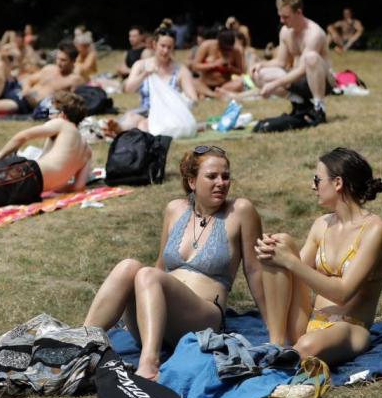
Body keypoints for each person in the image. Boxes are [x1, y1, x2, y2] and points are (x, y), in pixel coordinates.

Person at [82, 146, 266, 379]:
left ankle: (149, 363)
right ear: (192, 182)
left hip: (203, 318)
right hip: (158, 321)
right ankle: (81, 343)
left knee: (148, 275)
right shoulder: (174, 209)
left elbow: (254, 269)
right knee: (129, 266)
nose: (221, 183)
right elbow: (161, 265)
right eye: (212, 176)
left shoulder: (240, 211)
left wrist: (273, 326)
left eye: (225, 176)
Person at [255, 148, 382, 365]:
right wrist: (269, 253)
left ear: (337, 183)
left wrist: (288, 260)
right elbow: (293, 277)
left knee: (308, 347)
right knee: (280, 242)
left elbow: (343, 294)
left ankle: (289, 356)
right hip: (309, 321)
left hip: (348, 327)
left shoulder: (375, 230)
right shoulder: (321, 225)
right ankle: (275, 344)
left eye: (317, 180)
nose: (312, 186)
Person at [0, 91, 93, 217]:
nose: (48, 116)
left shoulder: (63, 124)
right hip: (32, 193)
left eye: (51, 112)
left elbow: (22, 136)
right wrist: (53, 184)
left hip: (24, 173)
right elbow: (78, 187)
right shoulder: (87, 151)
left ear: (62, 114)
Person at [250, 0, 334, 124]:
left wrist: (274, 84)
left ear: (298, 12)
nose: (282, 21)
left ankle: (319, 108)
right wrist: (261, 64)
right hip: (297, 80)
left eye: (286, 17)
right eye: (280, 16)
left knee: (311, 58)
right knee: (258, 74)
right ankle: (301, 104)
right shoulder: (285, 31)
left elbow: (303, 69)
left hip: (321, 82)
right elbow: (281, 62)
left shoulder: (314, 33)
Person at [118, 29, 198, 132]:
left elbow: (193, 98)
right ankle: (119, 129)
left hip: (169, 114)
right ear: (155, 45)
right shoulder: (141, 65)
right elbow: (128, 89)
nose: (165, 51)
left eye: (169, 48)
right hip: (145, 110)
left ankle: (122, 131)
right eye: (163, 46)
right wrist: (145, 74)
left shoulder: (180, 71)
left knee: (144, 125)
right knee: (132, 117)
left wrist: (182, 101)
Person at [0, 41, 85, 115]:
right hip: (17, 90)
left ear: (73, 61)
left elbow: (73, 104)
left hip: (24, 104)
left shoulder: (74, 80)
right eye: (58, 59)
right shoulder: (49, 68)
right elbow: (29, 80)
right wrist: (26, 89)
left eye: (63, 60)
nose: (59, 63)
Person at [190, 28, 245, 98]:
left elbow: (241, 71)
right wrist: (213, 65)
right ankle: (214, 94)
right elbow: (194, 66)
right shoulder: (206, 45)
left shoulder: (236, 51)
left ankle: (215, 93)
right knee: (192, 81)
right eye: (224, 48)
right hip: (205, 84)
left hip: (224, 85)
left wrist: (230, 68)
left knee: (239, 83)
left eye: (229, 49)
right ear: (218, 42)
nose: (226, 51)